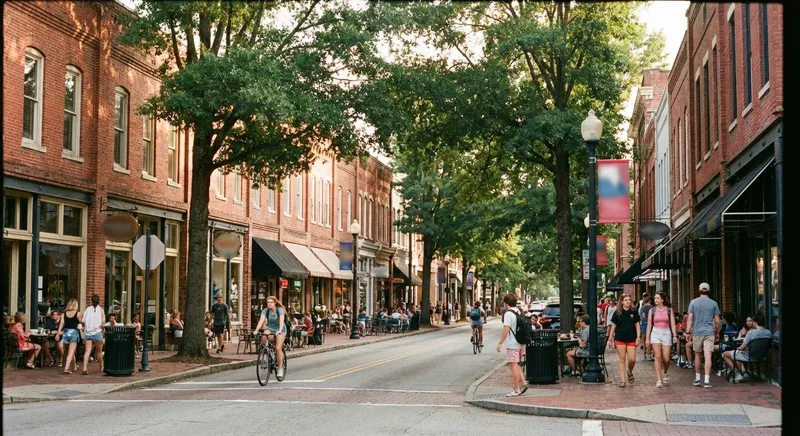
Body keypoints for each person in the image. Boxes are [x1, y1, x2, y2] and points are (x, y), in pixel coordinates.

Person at [686, 282, 721, 388]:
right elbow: (717, 321)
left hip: (697, 332)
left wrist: (688, 332)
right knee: (708, 356)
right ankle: (706, 380)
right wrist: (717, 332)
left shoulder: (693, 303)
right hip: (709, 332)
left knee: (697, 355)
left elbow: (690, 319)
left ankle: (697, 379)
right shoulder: (714, 303)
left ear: (699, 290)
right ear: (709, 291)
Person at [722, 314, 772, 383]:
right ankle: (745, 373)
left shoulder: (751, 332)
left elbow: (742, 347)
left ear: (756, 322)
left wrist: (737, 349)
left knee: (725, 354)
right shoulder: (769, 332)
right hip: (763, 356)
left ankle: (737, 375)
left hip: (751, 356)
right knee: (736, 355)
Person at [496, 293, 528, 397]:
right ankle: (523, 382)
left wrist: (500, 343)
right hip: (521, 343)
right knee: (517, 364)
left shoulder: (508, 314)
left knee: (513, 365)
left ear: (506, 304)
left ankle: (516, 389)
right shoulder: (518, 311)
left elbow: (506, 329)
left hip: (513, 344)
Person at [644, 292, 678, 388]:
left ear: (662, 300)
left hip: (666, 332)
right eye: (655, 298)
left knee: (666, 358)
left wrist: (674, 335)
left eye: (658, 298)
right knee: (657, 357)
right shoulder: (652, 311)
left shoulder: (669, 310)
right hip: (655, 333)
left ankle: (666, 371)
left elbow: (672, 323)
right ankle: (659, 379)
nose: (656, 300)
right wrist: (647, 338)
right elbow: (649, 325)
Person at [606, 294, 640, 388]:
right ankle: (622, 380)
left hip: (631, 337)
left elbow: (637, 324)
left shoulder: (634, 311)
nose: (628, 301)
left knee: (632, 359)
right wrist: (610, 338)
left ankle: (629, 371)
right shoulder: (617, 312)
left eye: (629, 300)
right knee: (622, 359)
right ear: (621, 302)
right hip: (620, 337)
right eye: (625, 300)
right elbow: (613, 325)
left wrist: (638, 337)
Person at [252, 296, 287, 380]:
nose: (269, 304)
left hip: (280, 329)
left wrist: (279, 330)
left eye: (271, 302)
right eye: (268, 302)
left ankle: (280, 368)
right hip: (270, 328)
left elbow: (281, 321)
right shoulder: (265, 310)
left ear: (275, 303)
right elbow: (261, 321)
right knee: (263, 338)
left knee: (278, 348)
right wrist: (256, 330)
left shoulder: (279, 310)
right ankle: (265, 355)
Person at [81, 295, 105, 375]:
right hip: (97, 332)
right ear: (99, 301)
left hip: (88, 332)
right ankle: (101, 367)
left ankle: (84, 368)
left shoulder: (87, 309)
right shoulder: (101, 310)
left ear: (91, 301)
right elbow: (103, 322)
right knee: (99, 351)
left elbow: (83, 320)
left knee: (87, 351)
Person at [58, 299, 82, 373]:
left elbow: (61, 323)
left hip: (65, 332)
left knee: (67, 351)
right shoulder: (78, 313)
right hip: (74, 333)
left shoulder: (64, 314)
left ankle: (74, 366)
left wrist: (58, 332)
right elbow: (82, 322)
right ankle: (66, 368)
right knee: (71, 352)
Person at [639, 296, 654, 360]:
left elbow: (640, 315)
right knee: (650, 339)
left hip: (643, 324)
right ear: (650, 301)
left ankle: (644, 353)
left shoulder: (642, 307)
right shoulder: (652, 308)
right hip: (650, 325)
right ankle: (649, 354)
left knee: (645, 339)